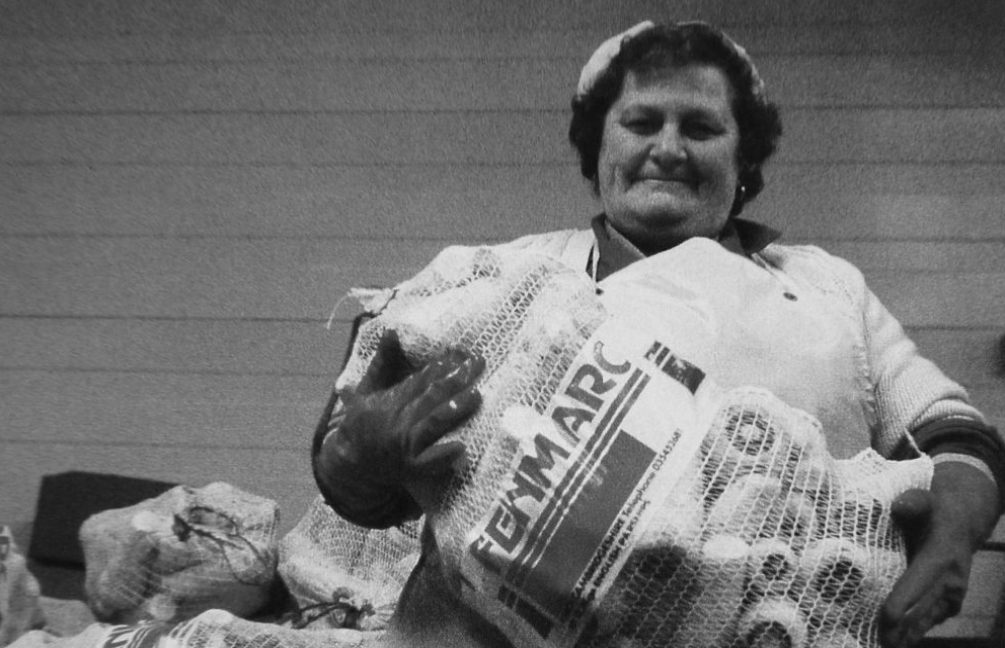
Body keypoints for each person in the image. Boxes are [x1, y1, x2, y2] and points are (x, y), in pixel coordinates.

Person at [311, 20, 1005, 648]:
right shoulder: (501, 283)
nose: (667, 148)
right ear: (598, 148)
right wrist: (357, 456)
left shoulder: (827, 289)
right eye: (641, 122)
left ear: (743, 164)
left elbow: (951, 431)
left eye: (700, 128)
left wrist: (952, 538)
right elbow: (351, 460)